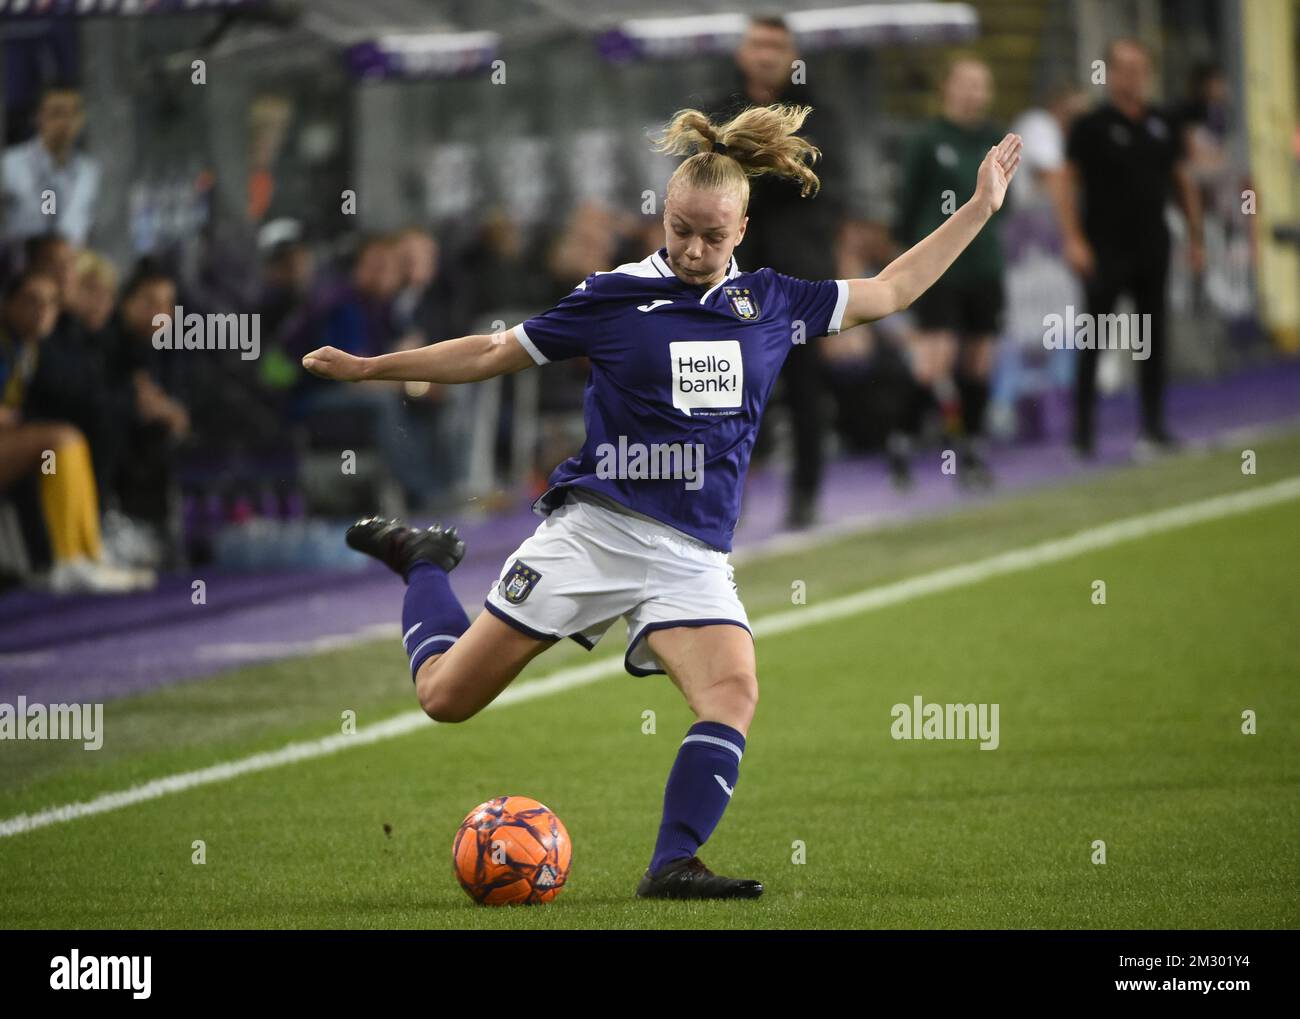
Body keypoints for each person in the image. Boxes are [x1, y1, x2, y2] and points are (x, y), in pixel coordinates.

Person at [302, 104, 1021, 899]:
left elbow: (893, 288)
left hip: (693, 557)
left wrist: (981, 207)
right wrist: (373, 368)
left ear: (743, 229)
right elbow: (495, 350)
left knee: (733, 693)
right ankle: (424, 563)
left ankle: (672, 863)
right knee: (444, 698)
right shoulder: (612, 297)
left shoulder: (774, 303)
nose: (693, 247)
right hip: (596, 533)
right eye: (681, 228)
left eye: (713, 235)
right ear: (664, 216)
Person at [702, 14, 849, 527]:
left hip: (799, 275)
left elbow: (815, 184)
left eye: (776, 46)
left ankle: (805, 494)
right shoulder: (720, 110)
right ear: (743, 53)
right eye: (757, 45)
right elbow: (708, 183)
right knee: (727, 389)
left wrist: (753, 168)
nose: (765, 55)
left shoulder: (816, 114)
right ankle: (723, 500)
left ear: (790, 55)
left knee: (807, 388)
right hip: (733, 275)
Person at [1055, 38, 1204, 458]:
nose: (1133, 76)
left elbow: (1183, 181)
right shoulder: (1091, 125)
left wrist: (1196, 238)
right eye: (1125, 68)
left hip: (1152, 246)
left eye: (1140, 68)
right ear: (1110, 72)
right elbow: (1065, 182)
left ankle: (1153, 429)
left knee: (1152, 339)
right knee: (1095, 338)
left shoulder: (1162, 122)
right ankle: (1083, 435)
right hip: (1103, 249)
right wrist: (1072, 238)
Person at [890, 56, 1006, 488]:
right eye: (967, 83)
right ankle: (900, 438)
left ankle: (972, 449)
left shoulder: (995, 139)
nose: (974, 93)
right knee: (934, 360)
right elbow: (906, 205)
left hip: (984, 264)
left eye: (982, 85)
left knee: (978, 360)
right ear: (948, 88)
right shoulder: (926, 140)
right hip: (938, 270)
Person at [1, 84, 101, 247]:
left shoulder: (89, 172)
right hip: (23, 264)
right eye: (57, 113)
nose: (64, 122)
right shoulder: (10, 165)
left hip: (70, 264)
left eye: (73, 114)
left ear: (81, 120)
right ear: (39, 117)